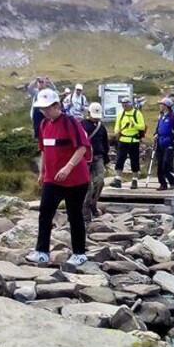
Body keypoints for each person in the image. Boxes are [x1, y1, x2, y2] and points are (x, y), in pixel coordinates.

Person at [25, 89, 90, 266]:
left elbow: (82, 148)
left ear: (56, 106)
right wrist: (42, 172)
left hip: (76, 180)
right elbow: (44, 150)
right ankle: (41, 251)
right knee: (45, 213)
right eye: (41, 109)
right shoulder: (44, 125)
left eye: (47, 108)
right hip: (52, 179)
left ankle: (79, 253)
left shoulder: (70, 122)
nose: (44, 112)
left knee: (74, 214)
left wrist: (68, 167)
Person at [81, 102, 110, 221]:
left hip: (98, 157)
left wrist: (106, 157)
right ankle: (85, 210)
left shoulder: (101, 127)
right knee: (88, 186)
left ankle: (93, 203)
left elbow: (105, 143)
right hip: (85, 159)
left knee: (100, 181)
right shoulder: (81, 125)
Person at [110, 96, 145, 189]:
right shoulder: (120, 114)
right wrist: (116, 132)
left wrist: (134, 124)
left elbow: (142, 127)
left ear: (130, 104)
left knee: (134, 160)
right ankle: (117, 179)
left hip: (134, 140)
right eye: (123, 104)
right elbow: (117, 125)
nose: (124, 106)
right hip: (123, 140)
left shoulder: (137, 114)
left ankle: (134, 180)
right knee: (120, 159)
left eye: (126, 104)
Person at [153, 97, 174, 191]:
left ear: (166, 106)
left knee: (166, 163)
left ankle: (173, 182)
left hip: (169, 143)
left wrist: (173, 140)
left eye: (161, 104)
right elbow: (158, 128)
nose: (160, 106)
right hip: (160, 142)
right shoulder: (161, 116)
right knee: (160, 164)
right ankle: (163, 184)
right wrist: (155, 134)